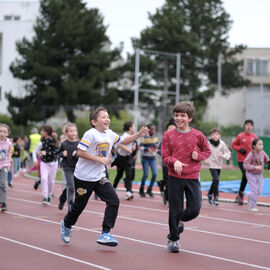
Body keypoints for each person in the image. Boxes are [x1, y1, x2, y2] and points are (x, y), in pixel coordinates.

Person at [60, 107, 149, 247]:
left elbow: (124, 141)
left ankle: (105, 233)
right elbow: (80, 152)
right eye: (103, 117)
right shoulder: (90, 134)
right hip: (83, 177)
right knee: (79, 206)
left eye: (108, 117)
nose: (107, 119)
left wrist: (138, 134)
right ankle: (66, 224)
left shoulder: (109, 133)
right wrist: (99, 159)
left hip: (99, 176)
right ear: (94, 121)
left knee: (114, 200)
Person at [161, 101, 211, 253]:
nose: (179, 118)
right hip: (174, 178)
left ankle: (180, 220)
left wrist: (199, 156)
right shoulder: (168, 135)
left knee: (195, 209)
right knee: (174, 209)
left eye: (182, 115)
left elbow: (207, 151)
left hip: (192, 177)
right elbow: (164, 156)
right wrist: (174, 161)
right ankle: (173, 238)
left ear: (190, 118)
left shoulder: (198, 135)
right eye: (176, 115)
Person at [232, 119, 258, 205]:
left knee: (248, 177)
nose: (249, 126)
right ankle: (241, 195)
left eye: (250, 125)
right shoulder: (240, 136)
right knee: (246, 174)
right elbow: (233, 145)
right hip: (241, 160)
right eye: (247, 125)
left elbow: (258, 148)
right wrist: (240, 149)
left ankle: (240, 193)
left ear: (252, 127)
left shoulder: (255, 137)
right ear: (244, 127)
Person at [33, 125, 58, 205]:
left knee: (51, 181)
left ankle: (49, 195)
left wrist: (46, 153)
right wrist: (36, 158)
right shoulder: (42, 139)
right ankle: (45, 197)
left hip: (53, 163)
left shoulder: (52, 140)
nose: (40, 132)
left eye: (42, 131)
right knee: (43, 179)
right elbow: (36, 150)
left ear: (46, 132)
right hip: (44, 163)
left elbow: (56, 152)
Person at [205, 128, 231, 206]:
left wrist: (223, 155)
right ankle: (216, 197)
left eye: (216, 134)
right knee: (216, 179)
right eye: (213, 134)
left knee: (215, 181)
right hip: (211, 164)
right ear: (210, 136)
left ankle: (209, 193)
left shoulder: (222, 143)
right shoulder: (208, 143)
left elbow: (227, 152)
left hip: (219, 164)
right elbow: (204, 151)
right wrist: (206, 159)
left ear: (219, 135)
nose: (215, 136)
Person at [243, 138, 270, 212]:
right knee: (254, 190)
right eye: (259, 144)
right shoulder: (251, 154)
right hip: (251, 174)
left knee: (259, 191)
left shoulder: (263, 153)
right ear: (254, 146)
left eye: (262, 144)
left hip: (259, 174)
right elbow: (245, 165)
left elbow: (268, 161)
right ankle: (252, 206)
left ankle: (249, 195)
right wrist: (255, 167)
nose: (262, 146)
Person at [58, 123, 79, 211]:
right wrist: (62, 154)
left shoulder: (80, 143)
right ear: (66, 133)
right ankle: (70, 204)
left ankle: (62, 198)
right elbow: (57, 154)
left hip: (78, 169)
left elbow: (84, 156)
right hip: (68, 168)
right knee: (71, 186)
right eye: (71, 131)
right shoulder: (64, 144)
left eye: (74, 131)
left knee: (71, 186)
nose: (73, 133)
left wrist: (76, 155)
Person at [112, 121, 135, 200]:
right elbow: (119, 144)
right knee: (119, 175)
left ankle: (128, 192)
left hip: (128, 158)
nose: (134, 128)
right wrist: (128, 150)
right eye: (133, 126)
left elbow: (129, 147)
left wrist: (132, 149)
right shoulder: (125, 136)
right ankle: (113, 188)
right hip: (120, 158)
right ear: (129, 128)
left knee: (129, 175)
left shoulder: (131, 135)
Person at [157, 120, 176, 206]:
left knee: (173, 182)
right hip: (166, 164)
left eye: (173, 129)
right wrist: (166, 155)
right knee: (168, 182)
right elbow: (158, 150)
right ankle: (167, 198)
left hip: (175, 164)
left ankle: (163, 188)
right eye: (170, 129)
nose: (171, 130)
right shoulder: (164, 139)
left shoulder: (178, 140)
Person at [139, 123, 158, 198]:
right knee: (146, 174)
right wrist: (147, 149)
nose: (153, 131)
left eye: (154, 129)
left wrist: (156, 148)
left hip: (152, 158)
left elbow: (156, 147)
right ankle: (141, 190)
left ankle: (149, 189)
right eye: (152, 129)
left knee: (155, 174)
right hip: (145, 158)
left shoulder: (156, 137)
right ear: (149, 130)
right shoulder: (144, 138)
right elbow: (139, 147)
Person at [0, 123, 12, 211]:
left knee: (3, 184)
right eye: (0, 131)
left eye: (4, 132)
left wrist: (8, 165)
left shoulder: (9, 143)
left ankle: (3, 202)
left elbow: (8, 155)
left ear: (7, 133)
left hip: (4, 165)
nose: (2, 133)